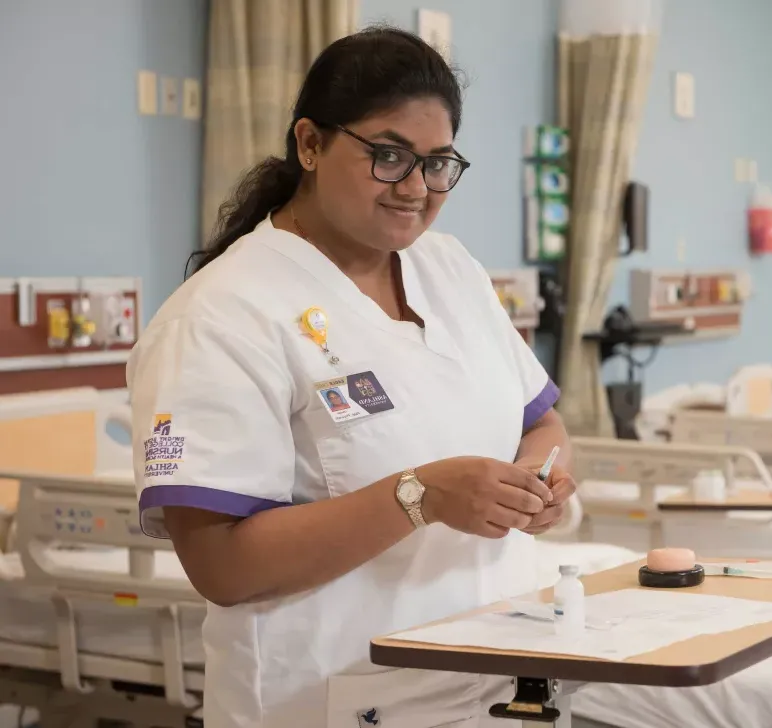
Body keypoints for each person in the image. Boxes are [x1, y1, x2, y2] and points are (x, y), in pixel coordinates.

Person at [127, 27, 575, 728]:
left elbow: (540, 422)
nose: (417, 188)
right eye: (388, 156)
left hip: (493, 677)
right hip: (332, 696)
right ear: (310, 144)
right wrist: (418, 496)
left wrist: (539, 484)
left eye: (437, 164)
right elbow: (220, 565)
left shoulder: (450, 268)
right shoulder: (222, 314)